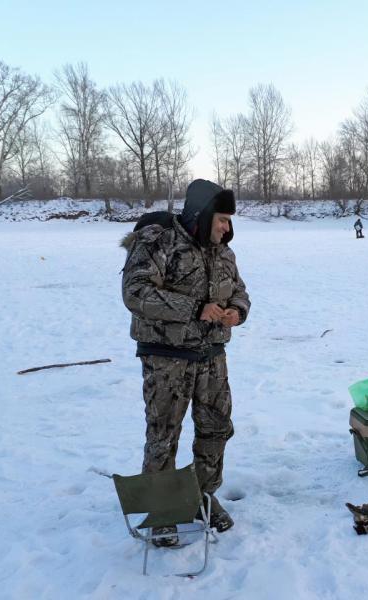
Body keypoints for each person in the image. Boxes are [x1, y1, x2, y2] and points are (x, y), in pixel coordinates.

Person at [121, 179, 250, 544]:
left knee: (216, 429)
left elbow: (240, 290)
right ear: (203, 214)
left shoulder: (224, 252)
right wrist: (195, 309)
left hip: (212, 357)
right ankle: (162, 509)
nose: (228, 228)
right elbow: (136, 292)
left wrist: (237, 312)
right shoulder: (158, 240)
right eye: (222, 219)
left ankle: (202, 497)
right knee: (164, 434)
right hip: (167, 359)